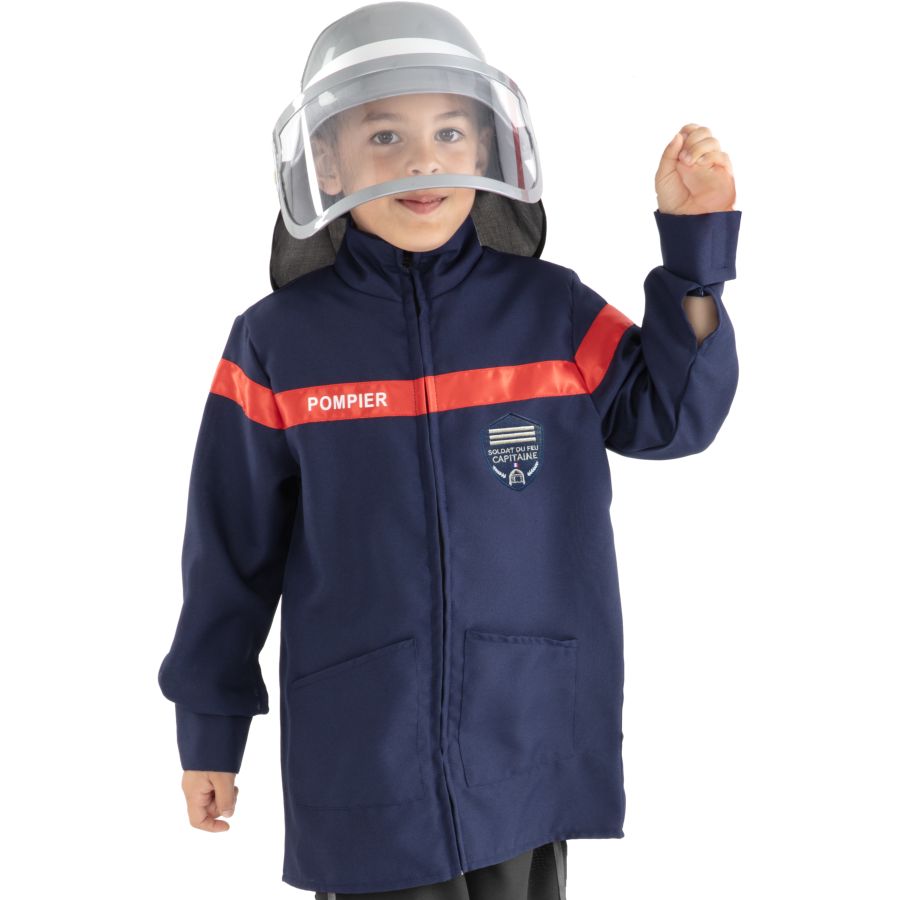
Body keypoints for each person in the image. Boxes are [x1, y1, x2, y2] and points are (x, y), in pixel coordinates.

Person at [157, 3, 742, 898]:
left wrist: (695, 257)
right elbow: (229, 551)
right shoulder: (276, 345)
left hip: (526, 729)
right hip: (366, 745)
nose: (423, 162)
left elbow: (672, 418)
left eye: (450, 131)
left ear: (489, 148)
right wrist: (209, 726)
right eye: (384, 135)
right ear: (325, 163)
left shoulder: (552, 312)